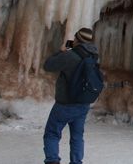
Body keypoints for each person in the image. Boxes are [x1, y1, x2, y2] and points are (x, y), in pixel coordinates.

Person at [43, 27, 100, 164]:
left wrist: (62, 51)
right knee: (77, 136)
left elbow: (48, 65)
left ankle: (52, 161)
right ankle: (76, 162)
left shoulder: (70, 55)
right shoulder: (93, 56)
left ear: (77, 39)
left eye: (75, 38)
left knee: (52, 133)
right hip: (83, 104)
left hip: (65, 104)